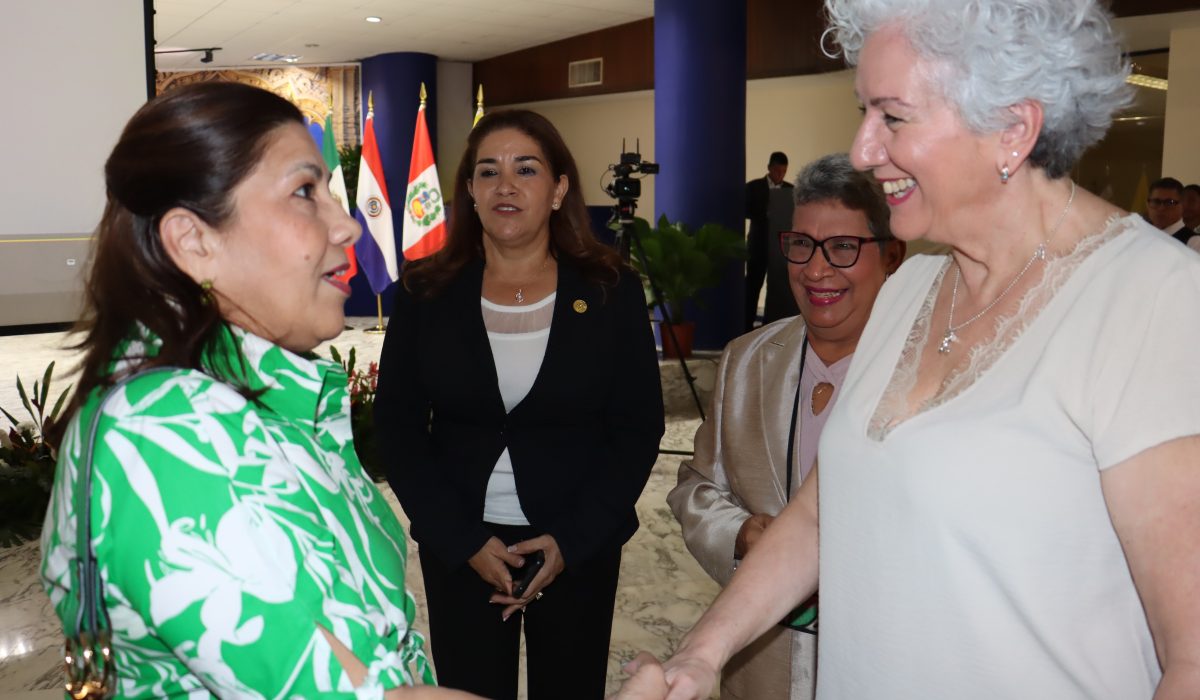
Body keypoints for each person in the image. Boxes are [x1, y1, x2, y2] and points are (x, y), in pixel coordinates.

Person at [619, 0, 1200, 698]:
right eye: (864, 112)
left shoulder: (1151, 299)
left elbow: (1191, 658)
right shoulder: (908, 291)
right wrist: (701, 655)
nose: (863, 150)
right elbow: (819, 515)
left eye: (892, 117)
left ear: (1013, 129)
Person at [39, 82, 479, 698]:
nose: (347, 226)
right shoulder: (167, 431)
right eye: (304, 192)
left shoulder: (253, 396)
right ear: (194, 241)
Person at [374, 109, 665, 700]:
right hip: (462, 545)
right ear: (470, 191)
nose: (505, 185)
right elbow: (397, 427)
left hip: (577, 542)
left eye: (526, 169)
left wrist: (571, 541)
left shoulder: (610, 290)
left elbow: (637, 429)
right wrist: (461, 539)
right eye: (488, 171)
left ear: (558, 189)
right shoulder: (425, 290)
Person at [668, 153, 903, 700]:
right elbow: (696, 488)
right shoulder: (746, 359)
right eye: (801, 244)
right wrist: (742, 534)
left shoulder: (921, 373)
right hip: (763, 663)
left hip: (882, 664)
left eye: (842, 247)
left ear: (892, 254)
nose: (815, 270)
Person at [745, 151, 793, 331]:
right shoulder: (753, 187)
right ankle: (746, 326)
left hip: (780, 249)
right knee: (752, 287)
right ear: (769, 168)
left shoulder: (791, 190)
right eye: (777, 171)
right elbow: (745, 211)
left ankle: (772, 326)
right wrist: (764, 213)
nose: (780, 175)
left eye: (784, 171)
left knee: (778, 288)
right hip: (758, 246)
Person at [1147, 176, 1198, 251]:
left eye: (1169, 202)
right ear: (1147, 204)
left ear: (1182, 205)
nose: (1161, 208)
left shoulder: (1194, 242)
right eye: (1156, 201)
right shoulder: (1139, 235)